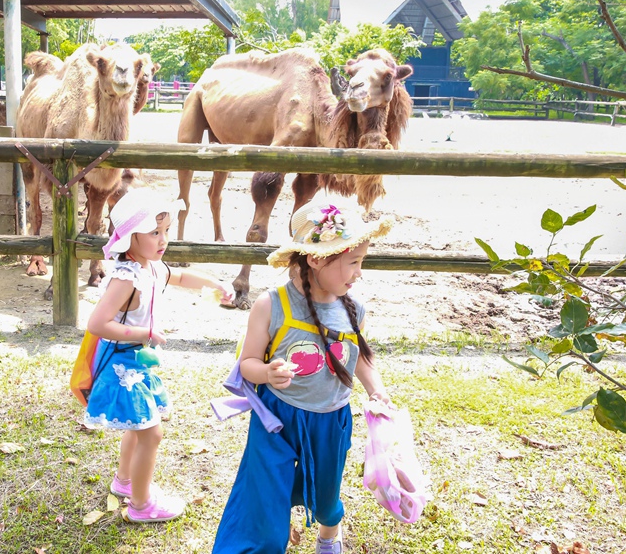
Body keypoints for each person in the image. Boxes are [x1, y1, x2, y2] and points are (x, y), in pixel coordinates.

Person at [212, 199, 395, 554]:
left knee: (326, 492)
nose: (359, 273)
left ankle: (329, 536)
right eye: (353, 263)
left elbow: (359, 358)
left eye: (362, 262)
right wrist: (266, 372)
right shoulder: (271, 304)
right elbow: (247, 363)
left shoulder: (354, 308)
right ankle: (265, 540)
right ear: (316, 258)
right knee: (265, 493)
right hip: (277, 418)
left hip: (331, 419)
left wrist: (377, 389)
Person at [85, 188, 233, 524]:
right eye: (154, 232)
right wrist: (144, 334)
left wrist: (215, 283)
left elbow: (178, 275)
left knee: (138, 428)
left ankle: (124, 482)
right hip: (124, 363)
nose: (163, 239)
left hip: (138, 361)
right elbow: (97, 323)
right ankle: (140, 504)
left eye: (165, 230)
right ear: (129, 237)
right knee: (150, 433)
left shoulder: (151, 266)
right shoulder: (126, 277)